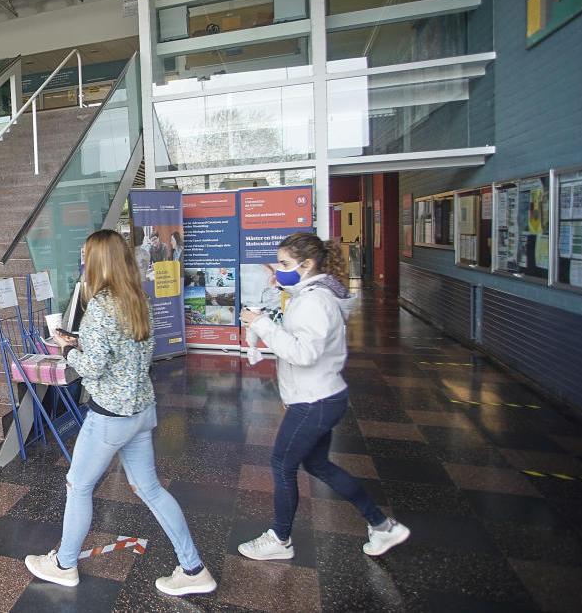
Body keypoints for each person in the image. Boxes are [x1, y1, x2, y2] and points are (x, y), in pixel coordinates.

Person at [25, 229, 216, 597]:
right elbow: (125, 349)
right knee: (151, 489)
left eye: (85, 256)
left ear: (97, 261)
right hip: (141, 410)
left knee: (77, 486)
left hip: (110, 416)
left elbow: (93, 367)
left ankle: (64, 565)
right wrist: (81, 340)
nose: (81, 262)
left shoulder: (99, 304)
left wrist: (67, 352)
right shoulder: (136, 298)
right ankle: (192, 567)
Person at [237, 233, 409, 561]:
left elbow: (304, 354)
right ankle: (382, 525)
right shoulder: (311, 295)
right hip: (318, 396)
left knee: (281, 463)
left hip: (315, 401)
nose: (279, 271)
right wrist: (269, 322)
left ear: (307, 264)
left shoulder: (315, 301)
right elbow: (301, 342)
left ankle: (280, 539)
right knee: (318, 464)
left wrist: (263, 323)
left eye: (285, 264)